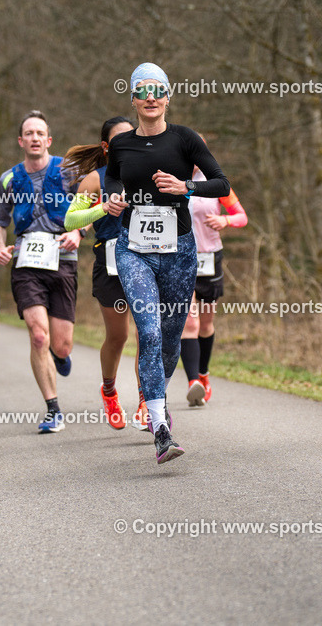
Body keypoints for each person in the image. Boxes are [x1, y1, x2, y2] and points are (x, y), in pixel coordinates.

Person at [104, 62, 230, 464]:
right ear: (133, 99)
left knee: (172, 339)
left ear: (168, 97)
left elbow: (222, 183)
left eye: (158, 90)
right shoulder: (121, 144)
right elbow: (111, 181)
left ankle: (159, 402)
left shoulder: (185, 139)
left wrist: (185, 186)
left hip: (179, 250)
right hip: (133, 249)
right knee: (150, 331)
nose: (151, 97)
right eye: (142, 91)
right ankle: (160, 426)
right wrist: (112, 200)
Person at [0, 111, 82, 434]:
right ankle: (53, 408)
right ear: (20, 141)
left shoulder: (70, 171)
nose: (34, 138)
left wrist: (80, 231)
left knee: (62, 344)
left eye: (39, 133)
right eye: (28, 133)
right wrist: (0, 245)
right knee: (38, 335)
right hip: (27, 263)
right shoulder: (9, 179)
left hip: (64, 260)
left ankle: (60, 356)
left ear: (49, 140)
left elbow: (92, 203)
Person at [62, 116, 138, 431]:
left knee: (148, 333)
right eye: (119, 139)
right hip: (110, 263)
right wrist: (101, 209)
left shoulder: (150, 172)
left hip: (147, 259)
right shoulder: (95, 179)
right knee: (118, 336)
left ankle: (148, 400)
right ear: (106, 147)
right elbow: (70, 221)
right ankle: (108, 390)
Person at [180, 166, 248, 406]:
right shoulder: (174, 179)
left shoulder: (217, 183)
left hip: (209, 259)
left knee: (206, 323)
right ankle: (192, 382)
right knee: (190, 321)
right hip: (181, 258)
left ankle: (203, 374)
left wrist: (225, 219)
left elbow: (242, 216)